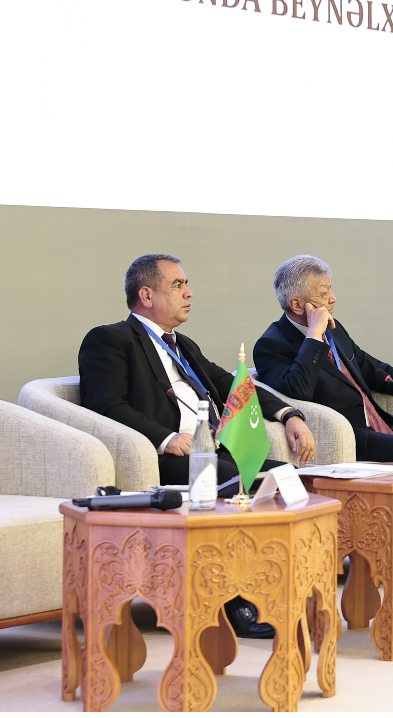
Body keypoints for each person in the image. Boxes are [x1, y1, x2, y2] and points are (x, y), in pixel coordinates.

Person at [79, 253, 316, 640]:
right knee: (232, 482)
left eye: (186, 284)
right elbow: (106, 405)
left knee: (288, 477)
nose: (189, 293)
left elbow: (235, 387)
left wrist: (288, 413)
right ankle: (235, 601)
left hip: (212, 450)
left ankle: (280, 587)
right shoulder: (110, 340)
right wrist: (166, 438)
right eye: (177, 285)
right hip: (164, 458)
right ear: (146, 295)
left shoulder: (183, 345)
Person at [253, 255, 393, 463]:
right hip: (350, 437)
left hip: (381, 427)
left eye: (331, 289)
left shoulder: (334, 329)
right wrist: (314, 335)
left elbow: (377, 371)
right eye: (324, 293)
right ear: (297, 304)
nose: (333, 298)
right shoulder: (271, 345)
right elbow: (298, 390)